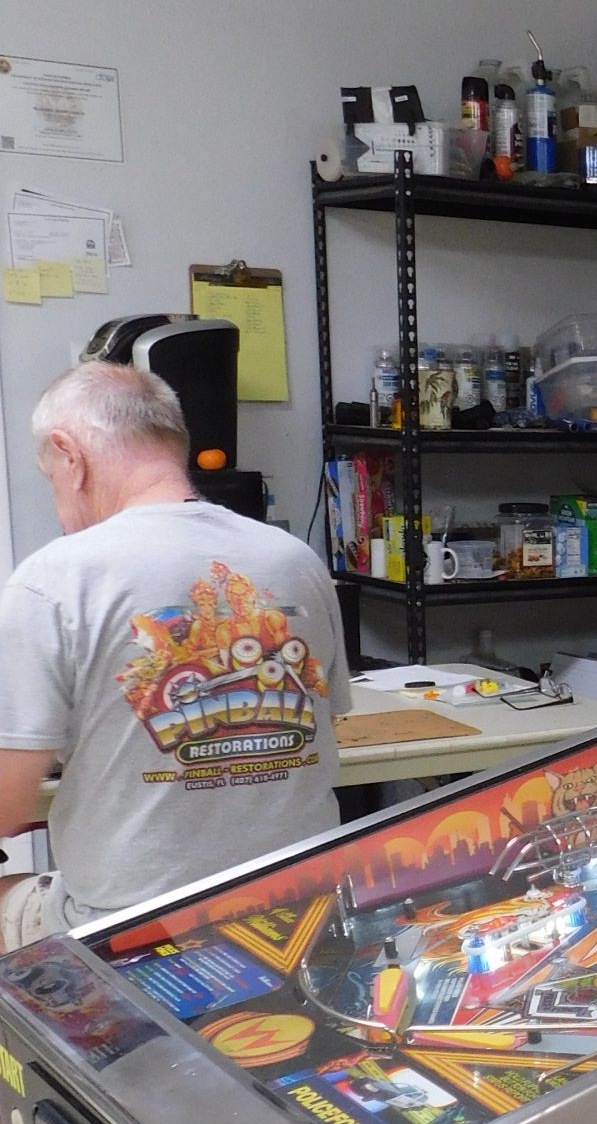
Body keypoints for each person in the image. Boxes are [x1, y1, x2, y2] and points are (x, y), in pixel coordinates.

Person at [0, 362, 350, 948]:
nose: (59, 505)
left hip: (131, 932)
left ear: (70, 456)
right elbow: (325, 726)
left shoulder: (53, 578)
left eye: (50, 480)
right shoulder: (297, 560)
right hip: (303, 911)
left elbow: (7, 804)